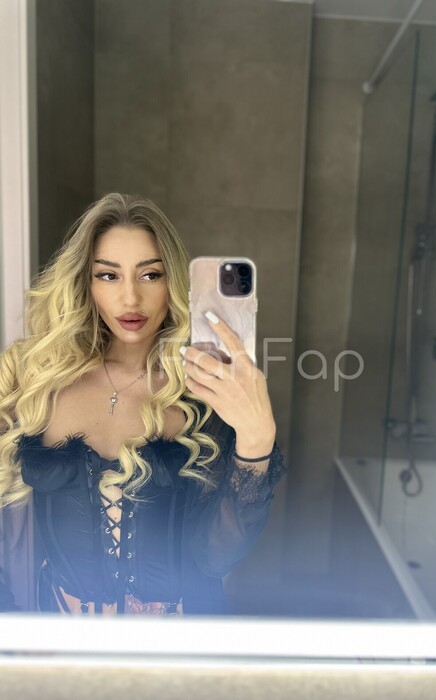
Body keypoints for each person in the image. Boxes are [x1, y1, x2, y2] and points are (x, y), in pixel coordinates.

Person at [0, 192, 286, 615]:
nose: (130, 298)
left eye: (150, 275)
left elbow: (217, 556)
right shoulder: (36, 382)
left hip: (178, 643)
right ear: (86, 282)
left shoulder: (204, 396)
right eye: (108, 275)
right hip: (56, 637)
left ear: (173, 283)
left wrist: (257, 437)